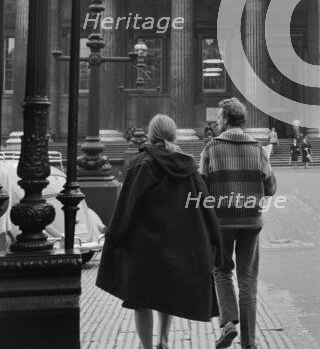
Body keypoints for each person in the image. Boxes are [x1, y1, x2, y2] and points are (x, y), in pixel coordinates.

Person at [97, 114, 222, 349]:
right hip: (175, 242)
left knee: (141, 300)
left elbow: (128, 204)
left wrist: (115, 235)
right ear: (173, 135)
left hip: (143, 245)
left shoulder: (141, 163)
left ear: (150, 134)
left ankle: (147, 347)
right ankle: (163, 341)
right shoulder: (188, 166)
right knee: (167, 293)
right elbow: (204, 205)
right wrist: (214, 241)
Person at [199, 98, 277, 349]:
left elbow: (202, 185)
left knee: (221, 271)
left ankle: (229, 323)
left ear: (225, 119)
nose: (217, 121)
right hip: (251, 221)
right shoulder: (257, 149)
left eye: (219, 117)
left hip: (222, 221)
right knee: (248, 281)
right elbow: (271, 187)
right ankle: (249, 343)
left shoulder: (212, 147)